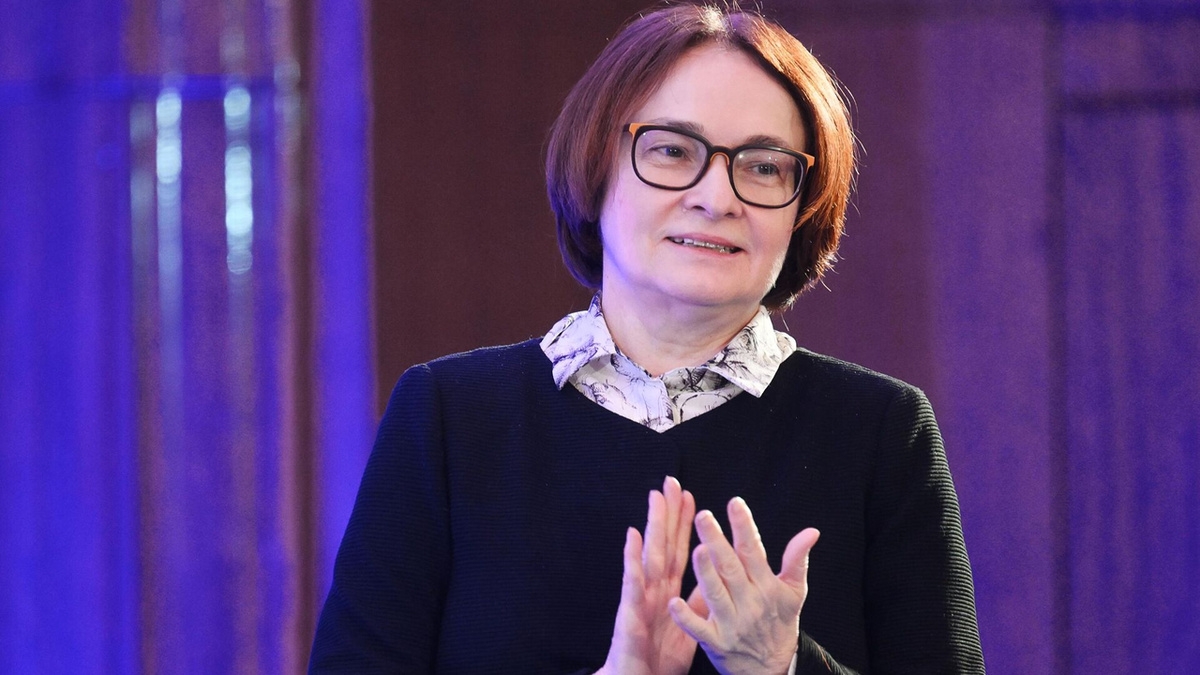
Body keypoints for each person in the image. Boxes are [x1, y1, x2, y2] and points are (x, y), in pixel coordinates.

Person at [309, 4, 984, 674]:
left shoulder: (881, 431)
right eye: (672, 151)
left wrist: (781, 667)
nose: (717, 198)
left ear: (802, 208)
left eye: (764, 167)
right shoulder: (450, 416)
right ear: (596, 165)